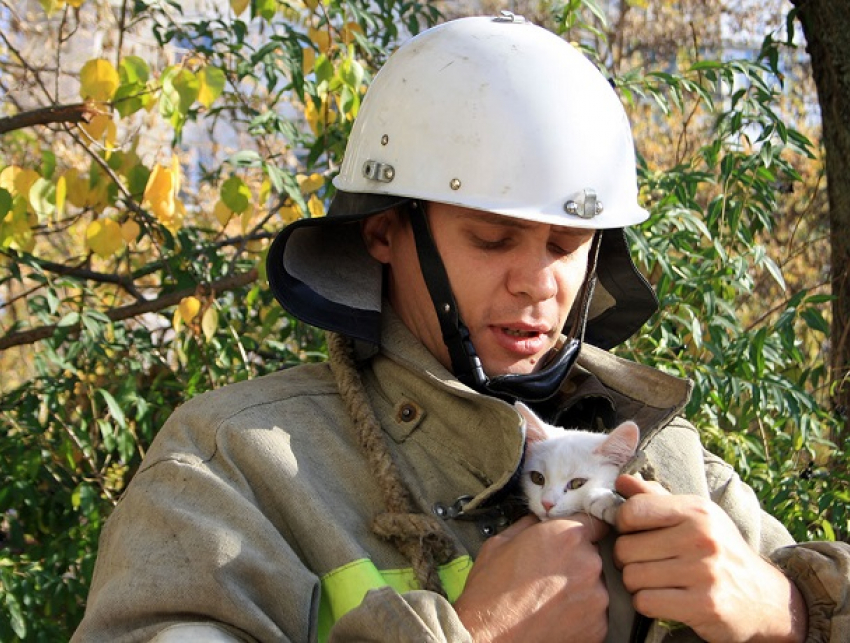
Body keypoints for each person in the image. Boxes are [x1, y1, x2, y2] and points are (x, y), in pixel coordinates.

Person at [73, 14, 850, 643]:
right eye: (492, 238)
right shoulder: (234, 469)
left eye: (565, 245)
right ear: (384, 234)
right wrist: (474, 634)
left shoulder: (671, 460)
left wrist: (790, 610)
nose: (537, 281)